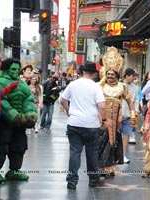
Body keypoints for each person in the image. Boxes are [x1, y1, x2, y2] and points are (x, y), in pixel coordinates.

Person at [60, 61, 107, 190]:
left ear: (82, 72)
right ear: (94, 74)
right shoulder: (96, 86)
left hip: (74, 123)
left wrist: (68, 111)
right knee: (92, 153)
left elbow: (62, 100)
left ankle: (72, 181)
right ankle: (93, 179)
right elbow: (102, 105)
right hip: (91, 124)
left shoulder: (73, 84)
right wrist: (103, 120)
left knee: (75, 152)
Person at [98, 47, 136, 176]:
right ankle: (101, 166)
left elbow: (130, 102)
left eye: (112, 74)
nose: (109, 76)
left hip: (117, 121)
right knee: (102, 141)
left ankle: (111, 166)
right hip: (101, 119)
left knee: (113, 142)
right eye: (107, 74)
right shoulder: (100, 86)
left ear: (116, 75)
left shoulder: (122, 87)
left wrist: (132, 115)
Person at [0, 58, 38, 184]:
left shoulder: (21, 84)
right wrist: (12, 115)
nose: (16, 71)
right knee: (1, 146)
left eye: (17, 69)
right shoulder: (0, 81)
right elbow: (1, 102)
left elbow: (28, 100)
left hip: (20, 123)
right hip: (3, 123)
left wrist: (31, 114)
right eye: (13, 69)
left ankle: (14, 170)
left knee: (19, 146)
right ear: (6, 69)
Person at [121, 68, 139, 163]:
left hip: (128, 115)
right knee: (116, 136)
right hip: (118, 115)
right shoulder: (119, 85)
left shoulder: (134, 87)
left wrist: (135, 112)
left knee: (126, 135)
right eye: (132, 76)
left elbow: (136, 100)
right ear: (127, 75)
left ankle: (122, 154)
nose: (133, 78)